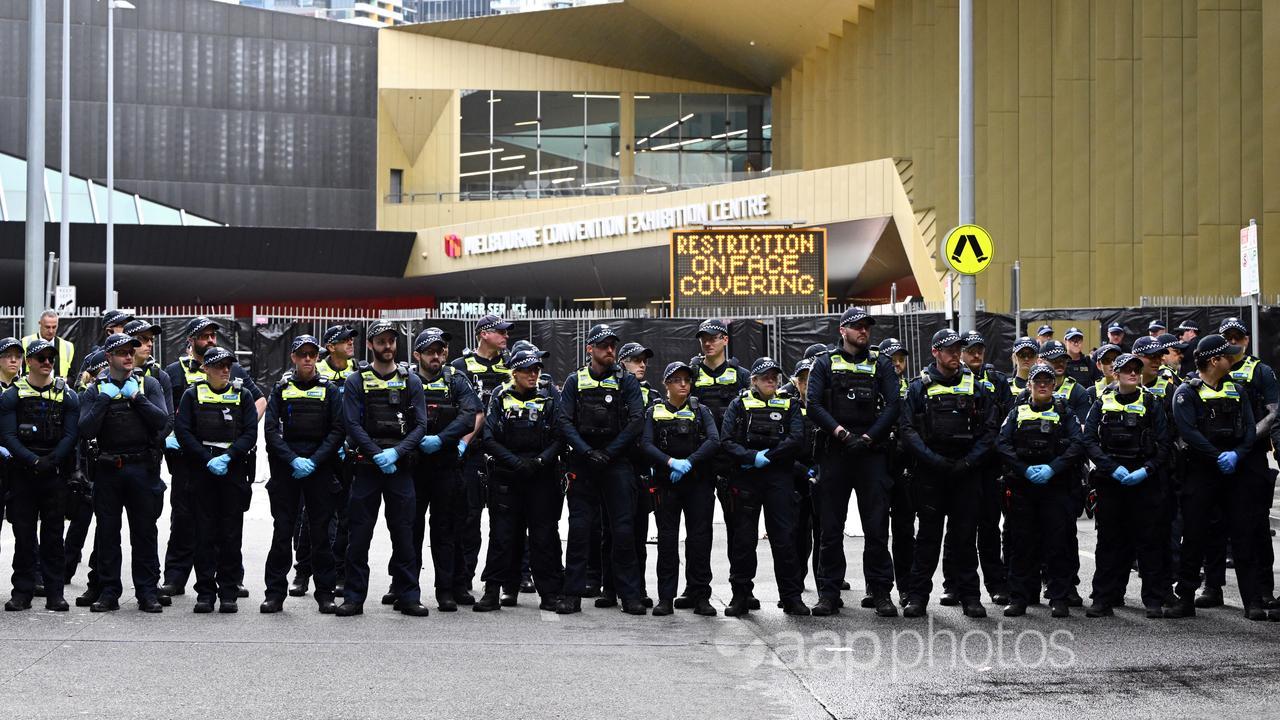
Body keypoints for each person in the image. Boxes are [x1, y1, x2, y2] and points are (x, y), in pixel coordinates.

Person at [805, 307, 902, 617]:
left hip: (871, 454)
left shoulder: (881, 363)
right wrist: (843, 434)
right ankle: (829, 594)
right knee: (830, 528)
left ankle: (881, 592)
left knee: (876, 527)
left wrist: (870, 438)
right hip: (836, 452)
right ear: (842, 331)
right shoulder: (824, 363)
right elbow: (814, 405)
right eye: (857, 327)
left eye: (867, 327)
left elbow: (893, 405)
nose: (864, 331)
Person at [161, 317, 264, 601]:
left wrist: (244, 428)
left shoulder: (234, 369)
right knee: (184, 517)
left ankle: (232, 579)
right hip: (189, 459)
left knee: (227, 523)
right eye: (203, 336)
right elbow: (167, 410)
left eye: (212, 336)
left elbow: (260, 400)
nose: (210, 340)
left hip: (229, 461)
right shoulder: (174, 372)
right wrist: (173, 435)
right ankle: (176, 577)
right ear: (190, 340)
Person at [898, 329, 998, 619]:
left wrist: (968, 463)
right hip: (930, 473)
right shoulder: (918, 387)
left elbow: (990, 430)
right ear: (935, 353)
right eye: (950, 350)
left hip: (966, 472)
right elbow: (908, 431)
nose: (956, 354)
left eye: (959, 349)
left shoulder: (977, 386)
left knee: (965, 538)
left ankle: (970, 598)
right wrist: (934, 461)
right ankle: (917, 598)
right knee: (928, 538)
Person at [1169, 334, 1267, 621]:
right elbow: (1188, 432)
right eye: (1228, 355)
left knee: (1243, 535)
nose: (1232, 358)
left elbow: (1250, 428)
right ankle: (1185, 598)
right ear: (1214, 360)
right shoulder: (1186, 392)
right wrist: (1217, 456)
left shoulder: (1238, 389)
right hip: (1201, 472)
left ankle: (1253, 602)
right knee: (1195, 536)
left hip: (1235, 472)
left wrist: (1236, 454)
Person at [336, 322, 430, 617]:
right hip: (366, 469)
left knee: (404, 535)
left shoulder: (410, 381)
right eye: (381, 341)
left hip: (400, 470)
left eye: (391, 341)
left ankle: (408, 596)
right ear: (371, 345)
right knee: (359, 536)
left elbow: (421, 426)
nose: (387, 346)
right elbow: (350, 424)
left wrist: (395, 453)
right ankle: (353, 597)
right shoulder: (356, 381)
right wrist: (377, 454)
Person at [76, 333, 170, 613]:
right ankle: (108, 592)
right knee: (107, 533)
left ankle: (147, 592)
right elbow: (85, 429)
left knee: (144, 532)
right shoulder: (95, 390)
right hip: (108, 469)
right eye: (121, 353)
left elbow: (161, 420)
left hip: (142, 467)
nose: (129, 356)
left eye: (132, 351)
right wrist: (104, 399)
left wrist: (136, 397)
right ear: (108, 357)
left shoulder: (148, 384)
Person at [557, 323, 646, 615]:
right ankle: (571, 595)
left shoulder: (627, 382)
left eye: (613, 345)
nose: (610, 350)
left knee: (623, 530)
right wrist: (587, 452)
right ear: (590, 349)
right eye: (604, 345)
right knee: (580, 529)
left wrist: (609, 452)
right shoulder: (574, 381)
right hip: (583, 463)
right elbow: (565, 421)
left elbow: (636, 421)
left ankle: (629, 596)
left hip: (616, 461)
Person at [1081, 353, 1176, 619]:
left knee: (1150, 542)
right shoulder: (1101, 403)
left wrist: (1146, 470)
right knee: (1110, 542)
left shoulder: (1151, 402)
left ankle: (1153, 600)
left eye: (1136, 369)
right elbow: (1089, 440)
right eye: (1126, 370)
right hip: (1112, 483)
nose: (1133, 373)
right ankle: (1103, 598)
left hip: (1145, 482)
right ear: (1116, 374)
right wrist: (1112, 468)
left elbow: (1164, 443)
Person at [474, 348, 569, 613]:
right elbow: (489, 438)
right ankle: (495, 591)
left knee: (544, 537)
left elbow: (561, 436)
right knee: (503, 536)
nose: (533, 374)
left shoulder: (550, 395)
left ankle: (550, 594)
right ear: (513, 372)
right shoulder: (499, 396)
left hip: (542, 476)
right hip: (507, 476)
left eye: (537, 369)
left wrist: (539, 462)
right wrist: (515, 463)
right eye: (527, 369)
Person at [260, 335, 345, 615]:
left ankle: (325, 594)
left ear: (317, 357)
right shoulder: (281, 388)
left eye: (312, 354)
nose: (308, 359)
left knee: (321, 535)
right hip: (288, 470)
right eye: (302, 354)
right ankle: (274, 594)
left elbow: (338, 429)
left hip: (319, 469)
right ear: (293, 358)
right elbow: (271, 431)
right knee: (282, 533)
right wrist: (293, 460)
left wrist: (315, 460)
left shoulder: (329, 390)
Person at [720, 357, 809, 616]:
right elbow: (727, 441)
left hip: (779, 478)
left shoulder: (789, 404)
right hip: (746, 478)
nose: (771, 380)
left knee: (784, 539)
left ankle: (791, 597)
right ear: (754, 380)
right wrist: (751, 458)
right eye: (765, 376)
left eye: (775, 376)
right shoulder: (738, 404)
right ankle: (741, 596)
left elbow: (796, 439)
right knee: (743, 540)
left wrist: (767, 457)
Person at [996, 362, 1085, 618]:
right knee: (1022, 545)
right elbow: (1002, 444)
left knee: (1057, 545)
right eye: (1038, 382)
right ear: (1030, 385)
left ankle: (1059, 598)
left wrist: (1053, 468)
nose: (1043, 385)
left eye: (1048, 381)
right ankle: (1019, 598)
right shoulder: (1017, 412)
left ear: (1054, 385)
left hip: (1056, 487)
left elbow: (1077, 445)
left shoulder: (1065, 412)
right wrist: (1024, 470)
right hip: (1023, 487)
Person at [0, 339, 80, 611]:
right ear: (30, 362)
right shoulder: (12, 395)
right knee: (23, 536)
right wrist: (33, 460)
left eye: (51, 358)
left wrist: (52, 460)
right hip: (23, 473)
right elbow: (8, 436)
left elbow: (71, 435)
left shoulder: (67, 395)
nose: (47, 363)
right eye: (41, 358)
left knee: (54, 536)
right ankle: (22, 592)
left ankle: (55, 593)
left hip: (54, 474)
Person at [405, 327, 482, 612]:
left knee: (446, 530)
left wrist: (440, 440)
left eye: (440, 351)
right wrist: (415, 440)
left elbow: (469, 416)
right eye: (430, 351)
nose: (437, 356)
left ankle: (446, 590)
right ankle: (406, 588)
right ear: (417, 355)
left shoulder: (456, 379)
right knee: (409, 529)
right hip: (412, 466)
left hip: (447, 465)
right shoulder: (406, 379)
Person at [641, 361, 720, 617]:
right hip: (667, 484)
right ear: (667, 384)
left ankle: (700, 596)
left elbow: (713, 440)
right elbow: (646, 444)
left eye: (687, 379)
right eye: (677, 380)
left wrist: (690, 462)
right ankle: (665, 597)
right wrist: (670, 462)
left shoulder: (701, 410)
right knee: (666, 541)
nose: (683, 384)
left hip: (698, 483)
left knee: (699, 540)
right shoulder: (655, 411)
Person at [291, 324, 361, 599]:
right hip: (322, 453)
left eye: (351, 340)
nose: (350, 344)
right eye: (344, 340)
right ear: (330, 346)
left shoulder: (360, 371)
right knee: (311, 517)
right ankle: (302, 572)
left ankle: (341, 572)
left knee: (347, 516)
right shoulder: (317, 373)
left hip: (351, 452)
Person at [686, 318, 750, 609]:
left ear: (725, 339)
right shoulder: (689, 375)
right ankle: (697, 591)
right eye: (703, 338)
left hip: (731, 463)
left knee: (740, 529)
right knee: (698, 531)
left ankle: (742, 591)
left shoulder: (742, 375)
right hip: (699, 462)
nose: (707, 342)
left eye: (713, 337)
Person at [947, 330, 1012, 607]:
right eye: (970, 349)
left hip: (990, 464)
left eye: (980, 349)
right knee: (958, 530)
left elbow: (1009, 418)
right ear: (961, 351)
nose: (976, 354)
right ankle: (953, 586)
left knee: (989, 527)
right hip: (961, 465)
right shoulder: (953, 378)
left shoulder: (997, 381)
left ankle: (996, 585)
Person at [1218, 318, 1278, 613]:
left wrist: (1246, 440)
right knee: (1214, 525)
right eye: (1226, 337)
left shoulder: (1261, 371)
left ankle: (1265, 590)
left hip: (1252, 457)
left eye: (1237, 337)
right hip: (1216, 457)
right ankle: (1212, 586)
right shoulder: (1213, 369)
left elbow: (1273, 412)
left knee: (1255, 525)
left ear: (1246, 340)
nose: (1232, 342)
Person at [451, 314, 512, 604]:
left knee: (504, 522)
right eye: (501, 331)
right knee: (468, 518)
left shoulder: (512, 366)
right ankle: (463, 580)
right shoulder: (460, 367)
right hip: (471, 453)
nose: (506, 336)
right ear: (484, 334)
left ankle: (504, 581)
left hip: (503, 453)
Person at [604, 341, 658, 609]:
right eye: (636, 360)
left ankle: (639, 586)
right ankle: (609, 588)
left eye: (644, 360)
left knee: (638, 532)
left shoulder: (654, 395)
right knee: (611, 531)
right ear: (622, 362)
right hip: (615, 465)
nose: (642, 365)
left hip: (642, 470)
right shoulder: (615, 388)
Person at [876, 338, 914, 607]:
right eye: (892, 359)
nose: (898, 364)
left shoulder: (914, 389)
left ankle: (907, 587)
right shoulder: (874, 388)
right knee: (876, 530)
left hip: (905, 468)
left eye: (902, 358)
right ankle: (877, 588)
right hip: (877, 465)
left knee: (904, 531)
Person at [782, 356, 823, 598]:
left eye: (812, 379)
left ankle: (826, 590)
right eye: (803, 380)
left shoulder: (825, 406)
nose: (807, 384)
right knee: (797, 532)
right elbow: (782, 445)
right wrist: (800, 470)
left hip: (823, 476)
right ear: (796, 382)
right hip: (795, 477)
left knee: (824, 533)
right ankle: (795, 585)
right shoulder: (787, 406)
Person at [21, 309, 75, 380]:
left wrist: (63, 383)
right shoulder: (25, 342)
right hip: (31, 388)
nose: (51, 331)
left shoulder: (68, 346)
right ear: (40, 324)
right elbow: (19, 371)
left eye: (54, 327)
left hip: (58, 389)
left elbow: (73, 375)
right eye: (47, 327)